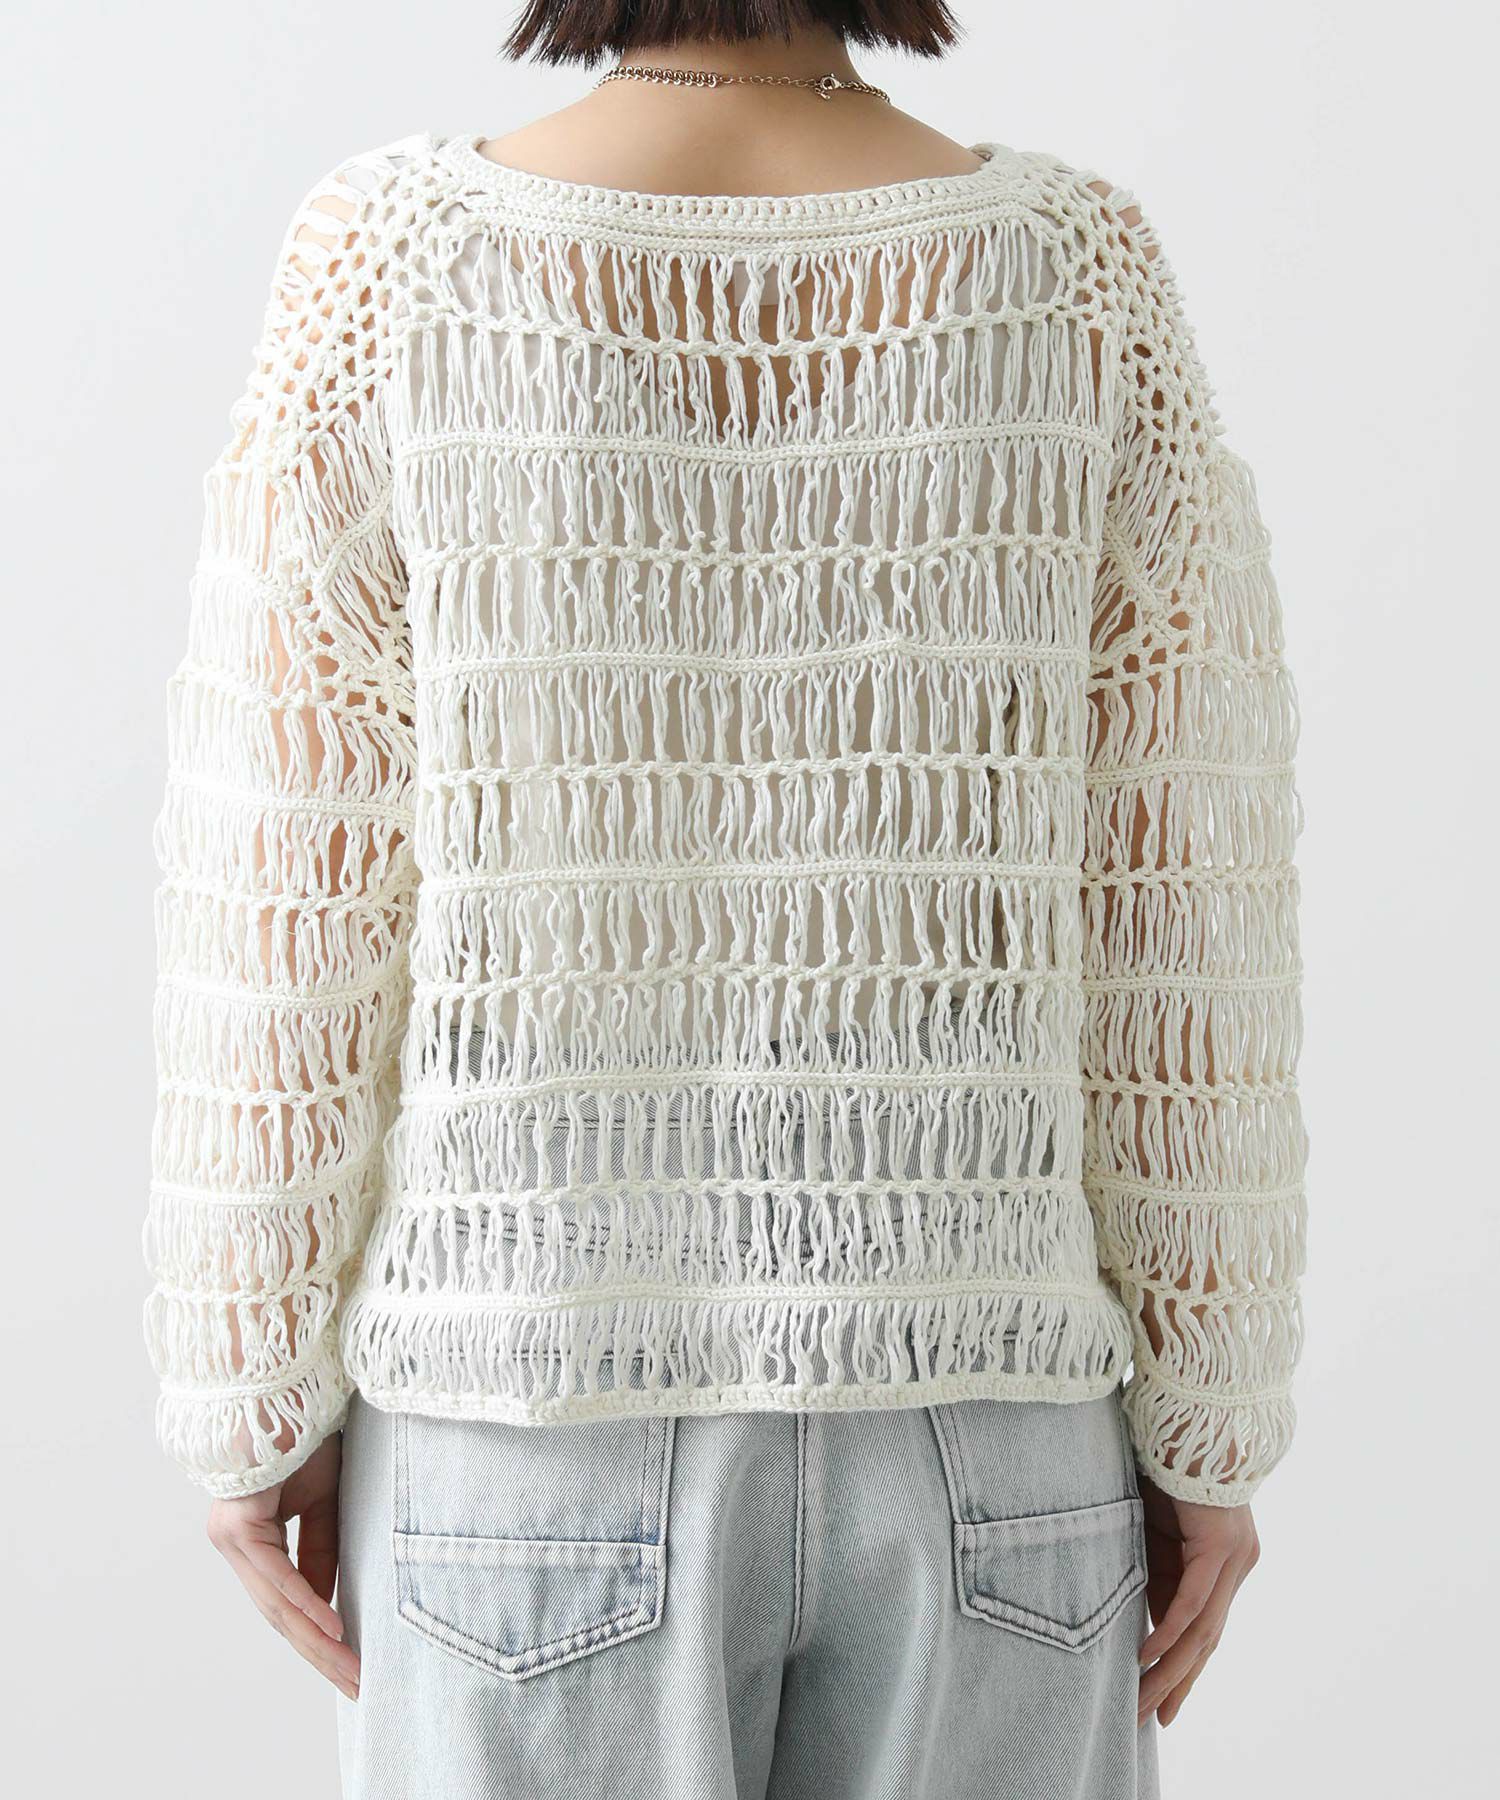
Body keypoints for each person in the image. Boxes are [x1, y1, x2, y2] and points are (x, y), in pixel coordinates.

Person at [143, 3, 1309, 1794]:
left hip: (530, 1410)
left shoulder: (399, 261)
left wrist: (252, 1391)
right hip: (985, 1406)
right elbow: (1178, 881)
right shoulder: (1073, 272)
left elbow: (289, 876)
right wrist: (1209, 1423)